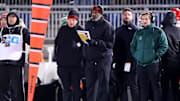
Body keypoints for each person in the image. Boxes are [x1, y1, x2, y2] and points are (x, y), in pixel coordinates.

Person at [130, 12, 168, 101]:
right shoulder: (138, 32)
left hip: (153, 64)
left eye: (146, 19)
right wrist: (137, 56)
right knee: (143, 88)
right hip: (140, 65)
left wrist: (156, 55)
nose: (144, 21)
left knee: (156, 86)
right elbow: (132, 46)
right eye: (142, 19)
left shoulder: (158, 32)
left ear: (151, 20)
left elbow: (164, 46)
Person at [84, 5, 115, 101]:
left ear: (101, 14)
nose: (94, 14)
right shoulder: (88, 24)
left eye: (96, 13)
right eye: (93, 12)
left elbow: (110, 44)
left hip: (103, 59)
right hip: (90, 59)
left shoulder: (107, 26)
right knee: (89, 85)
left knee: (103, 85)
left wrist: (96, 42)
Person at [54, 9, 84, 101]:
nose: (71, 22)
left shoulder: (81, 31)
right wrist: (58, 60)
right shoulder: (62, 30)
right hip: (63, 66)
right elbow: (57, 45)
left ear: (77, 21)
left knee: (76, 89)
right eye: (70, 19)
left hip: (76, 67)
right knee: (66, 89)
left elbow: (85, 47)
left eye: (74, 20)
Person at [0, 11, 30, 101]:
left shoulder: (22, 30)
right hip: (3, 63)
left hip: (16, 63)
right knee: (2, 89)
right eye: (9, 17)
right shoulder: (2, 31)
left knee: (17, 88)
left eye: (13, 17)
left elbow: (30, 40)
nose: (11, 19)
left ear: (17, 19)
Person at [113, 8, 139, 101]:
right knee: (121, 87)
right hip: (119, 63)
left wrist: (131, 62)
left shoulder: (136, 31)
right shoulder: (117, 31)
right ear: (122, 16)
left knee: (133, 86)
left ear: (132, 17)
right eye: (125, 14)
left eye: (128, 14)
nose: (126, 16)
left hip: (132, 63)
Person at [161, 11, 180, 101]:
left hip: (165, 63)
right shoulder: (179, 31)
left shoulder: (162, 31)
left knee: (165, 86)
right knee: (175, 86)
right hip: (176, 63)